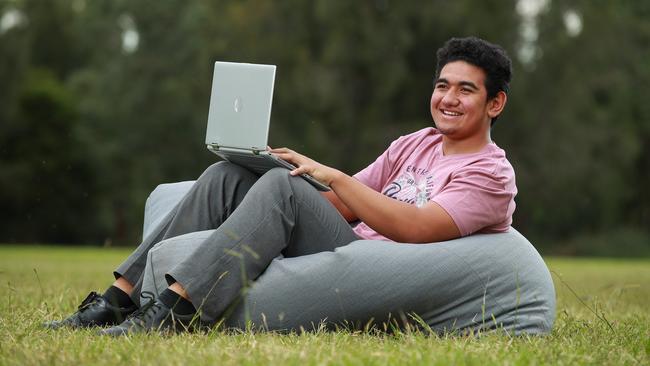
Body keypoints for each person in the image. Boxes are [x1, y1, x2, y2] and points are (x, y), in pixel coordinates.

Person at [44, 36, 516, 336]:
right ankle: (117, 300)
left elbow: (415, 228)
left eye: (465, 90)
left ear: (495, 103)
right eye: (442, 85)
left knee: (281, 187)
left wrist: (321, 176)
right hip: (346, 245)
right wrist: (271, 175)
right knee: (229, 176)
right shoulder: (418, 142)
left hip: (378, 266)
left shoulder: (491, 173)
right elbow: (345, 206)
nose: (447, 99)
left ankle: (173, 314)